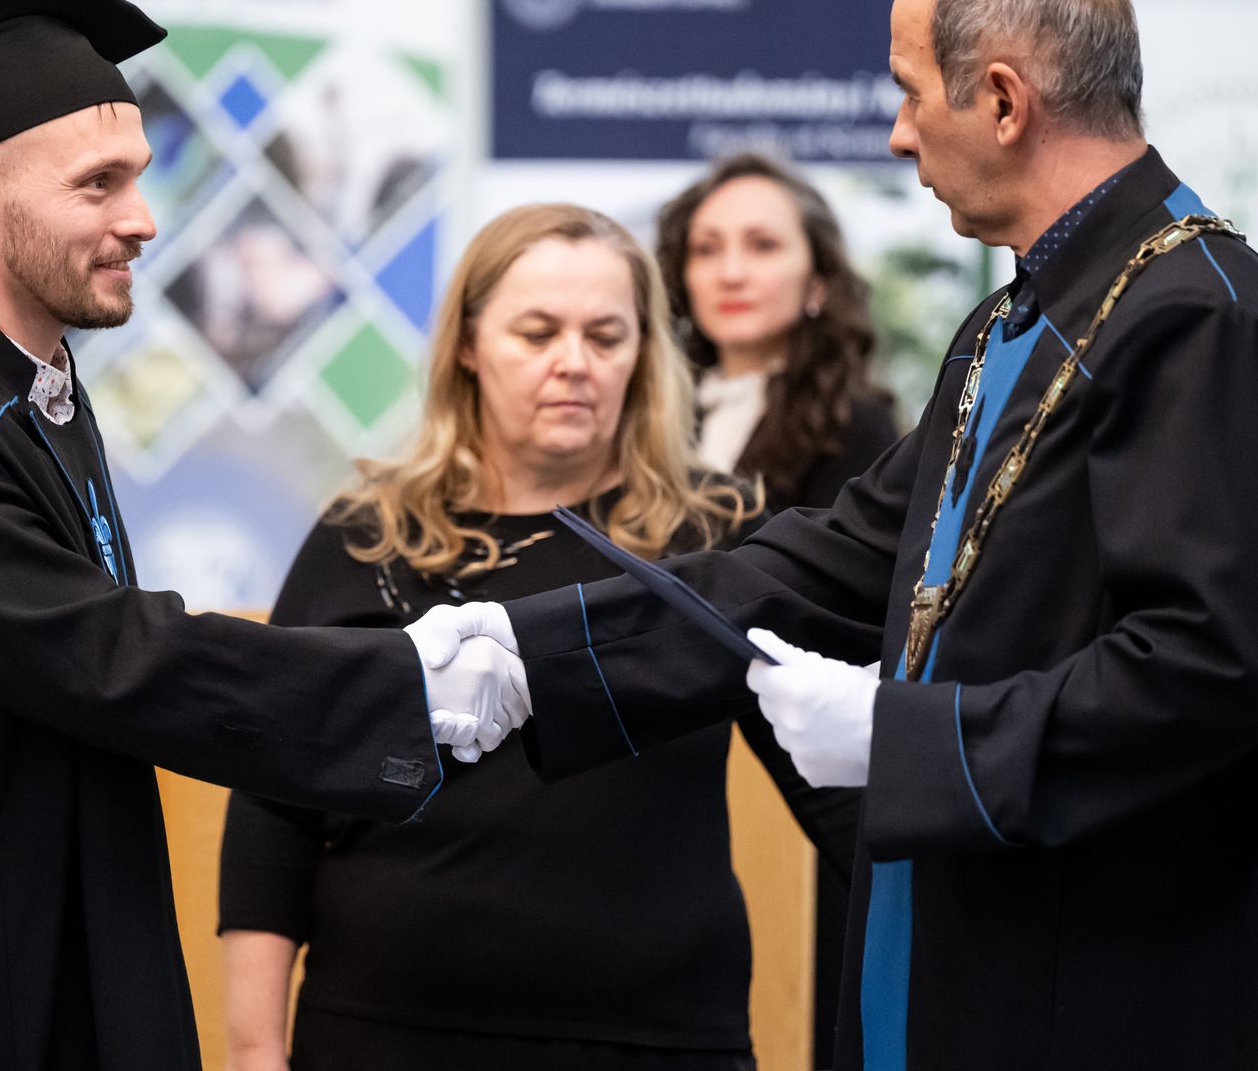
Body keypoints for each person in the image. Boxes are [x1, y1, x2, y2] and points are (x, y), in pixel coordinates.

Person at [478, 0, 1258, 1069]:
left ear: (1004, 100)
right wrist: (535, 646)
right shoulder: (1018, 318)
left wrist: (904, 735)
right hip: (981, 948)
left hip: (1111, 988)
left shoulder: (1199, 320)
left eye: (911, 92)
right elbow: (840, 554)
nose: (898, 131)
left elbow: (1216, 666)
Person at [0, 0, 525, 1071]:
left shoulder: (31, 379)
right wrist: (397, 682)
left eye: (141, 174)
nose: (146, 217)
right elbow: (107, 657)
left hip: (27, 950)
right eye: (99, 182)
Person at [221, 202, 848, 1071]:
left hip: (657, 1040)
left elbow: (833, 777)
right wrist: (254, 1049)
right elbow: (274, 802)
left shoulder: (718, 537)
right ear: (468, 346)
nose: (574, 363)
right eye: (538, 332)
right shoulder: (365, 537)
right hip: (386, 1031)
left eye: (606, 335)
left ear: (644, 353)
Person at [656, 153, 898, 1066]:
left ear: (818, 279)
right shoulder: (646, 419)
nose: (730, 270)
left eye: (761, 245)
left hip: (812, 786)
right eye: (707, 248)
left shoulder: (863, 432)